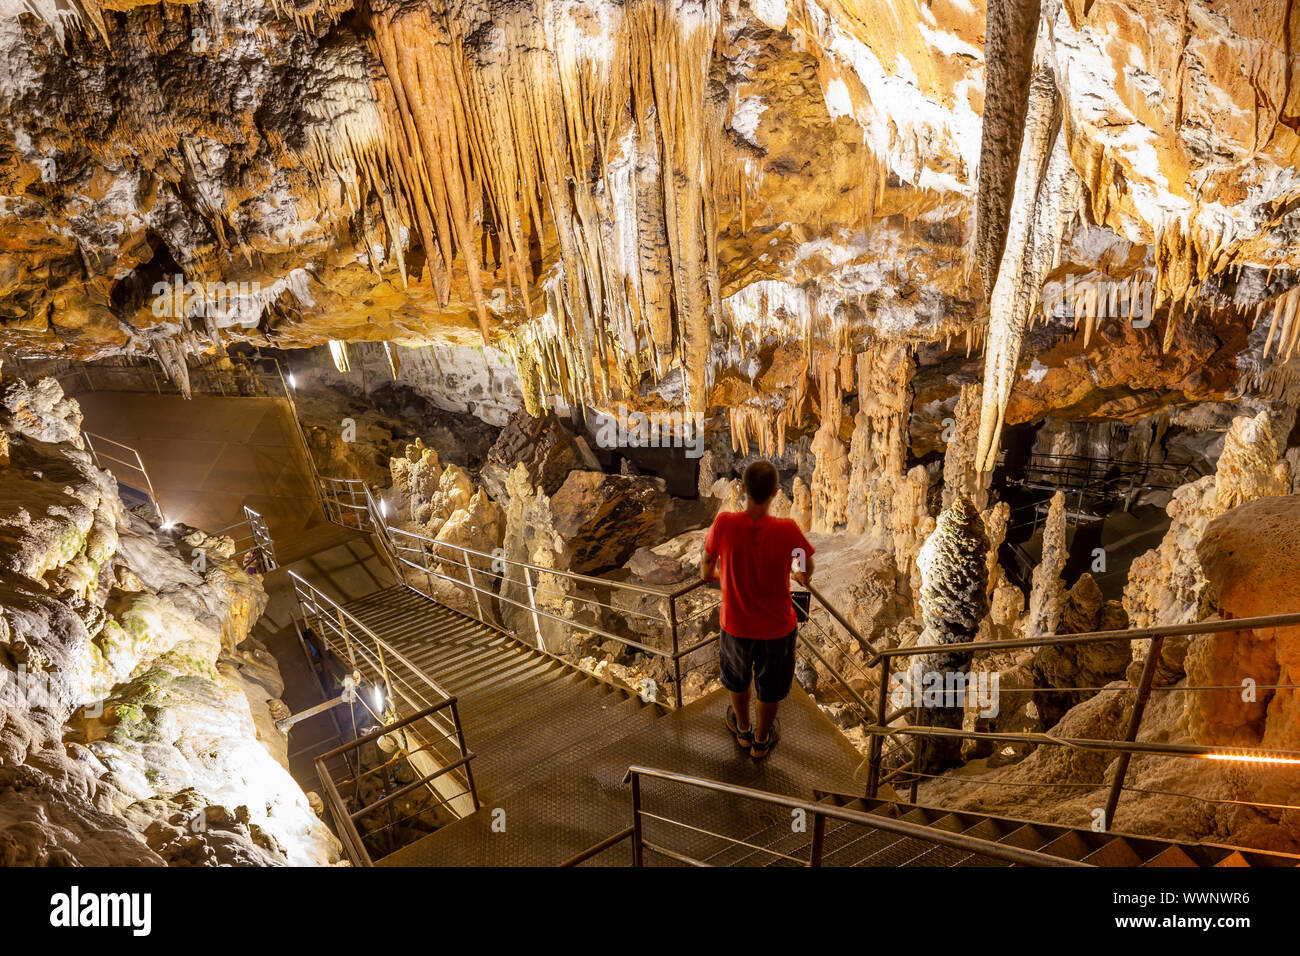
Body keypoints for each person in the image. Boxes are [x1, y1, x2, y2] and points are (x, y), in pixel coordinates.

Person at [700, 460, 814, 759]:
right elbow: (804, 567)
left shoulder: (725, 523)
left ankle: (742, 728)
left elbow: (706, 567)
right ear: (776, 493)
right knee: (771, 685)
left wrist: (715, 577)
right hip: (777, 627)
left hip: (736, 624)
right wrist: (798, 573)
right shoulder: (787, 528)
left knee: (737, 678)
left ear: (742, 489)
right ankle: (762, 740)